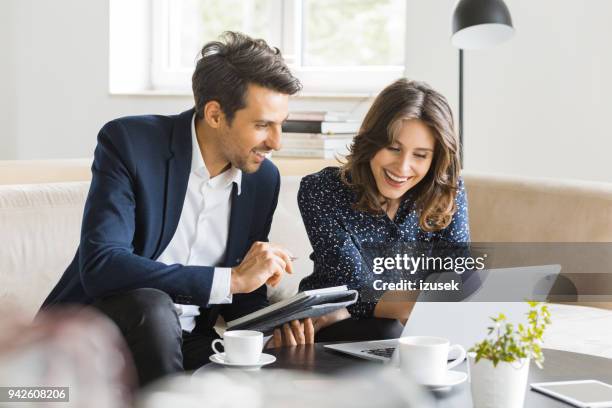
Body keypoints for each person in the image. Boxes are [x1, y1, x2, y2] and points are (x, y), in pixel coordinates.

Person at [40, 31, 313, 386]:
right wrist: (231, 279)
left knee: (276, 379)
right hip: (93, 340)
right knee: (152, 305)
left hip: (188, 343)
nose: (276, 142)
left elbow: (241, 301)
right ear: (215, 114)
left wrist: (276, 324)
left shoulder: (262, 179)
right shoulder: (131, 143)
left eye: (281, 125)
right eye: (262, 125)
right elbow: (102, 264)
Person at [298, 79, 470, 342]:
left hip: (413, 333)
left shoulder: (448, 190)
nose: (402, 168)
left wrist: (352, 308)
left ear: (435, 159)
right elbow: (358, 289)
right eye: (393, 148)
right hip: (331, 332)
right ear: (371, 140)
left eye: (420, 155)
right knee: (389, 330)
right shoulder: (321, 190)